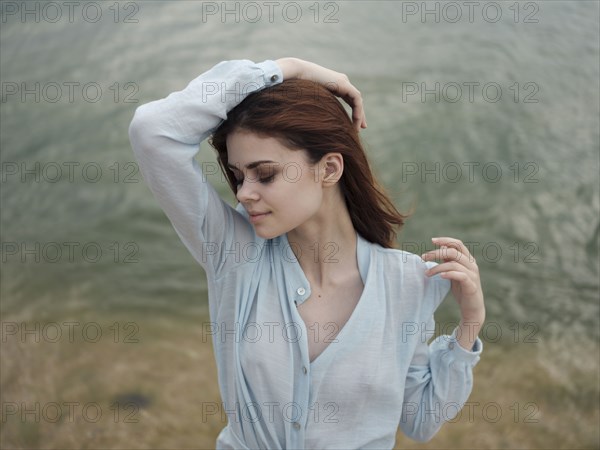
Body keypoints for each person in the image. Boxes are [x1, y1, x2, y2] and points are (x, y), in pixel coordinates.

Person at [128, 57, 485, 449]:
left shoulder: (408, 282)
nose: (244, 192)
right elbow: (153, 131)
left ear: (329, 169)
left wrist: (470, 324)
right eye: (238, 174)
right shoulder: (234, 253)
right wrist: (287, 69)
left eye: (265, 174)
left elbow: (420, 421)